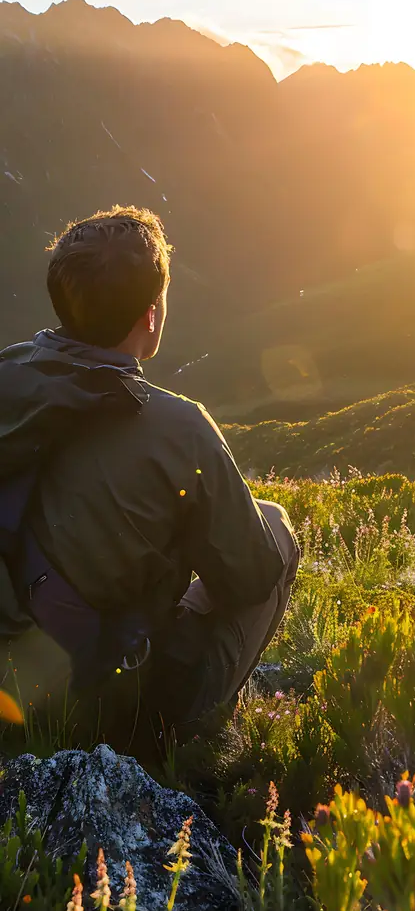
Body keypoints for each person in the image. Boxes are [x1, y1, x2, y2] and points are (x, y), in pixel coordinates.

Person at [0, 206, 299, 748]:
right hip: (86, 714)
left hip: (9, 683)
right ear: (151, 314)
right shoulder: (180, 429)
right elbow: (250, 577)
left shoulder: (8, 375)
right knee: (274, 529)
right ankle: (171, 745)